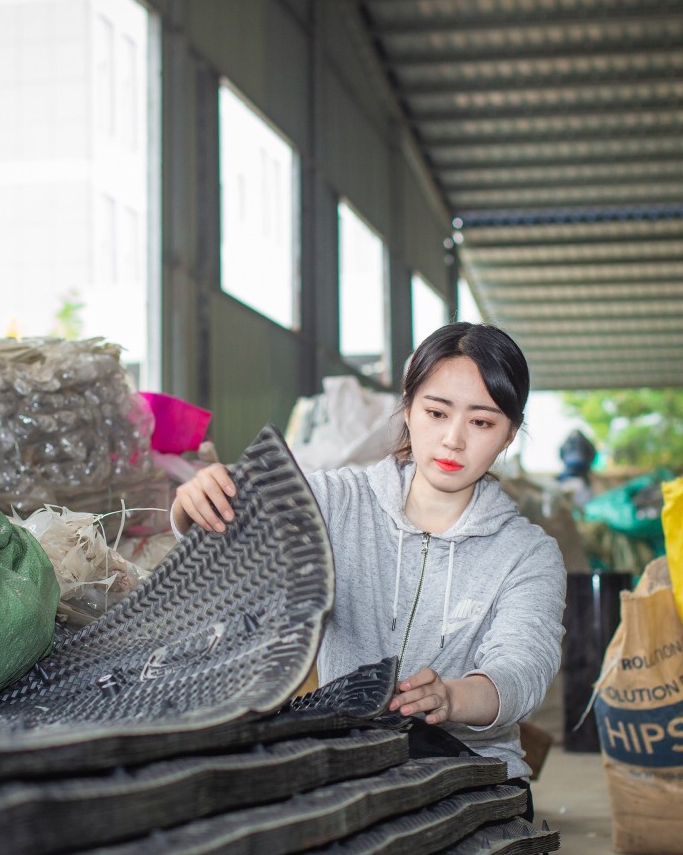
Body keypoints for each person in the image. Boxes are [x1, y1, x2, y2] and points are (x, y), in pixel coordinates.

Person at [172, 322, 565, 819]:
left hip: (474, 772)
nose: (453, 440)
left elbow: (522, 668)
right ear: (407, 408)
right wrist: (194, 504)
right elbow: (239, 541)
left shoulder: (526, 552)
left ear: (510, 432)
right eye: (436, 412)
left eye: (482, 423)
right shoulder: (335, 500)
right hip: (349, 762)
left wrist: (451, 696)